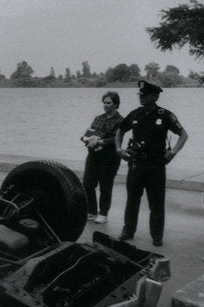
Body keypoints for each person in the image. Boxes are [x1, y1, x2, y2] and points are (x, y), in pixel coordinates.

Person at [114, 80, 189, 247]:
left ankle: (156, 235)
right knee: (132, 200)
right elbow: (120, 130)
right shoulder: (135, 114)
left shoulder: (165, 115)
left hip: (156, 165)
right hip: (136, 164)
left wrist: (173, 152)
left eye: (144, 95)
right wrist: (119, 149)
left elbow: (183, 134)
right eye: (140, 95)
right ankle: (128, 230)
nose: (141, 97)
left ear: (154, 96)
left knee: (156, 202)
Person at [80, 91, 123, 224]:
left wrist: (100, 142)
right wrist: (86, 139)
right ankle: (92, 211)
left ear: (115, 104)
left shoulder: (121, 120)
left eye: (108, 103)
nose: (105, 105)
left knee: (105, 185)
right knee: (87, 183)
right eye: (104, 103)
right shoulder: (98, 118)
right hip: (93, 154)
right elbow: (89, 132)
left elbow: (116, 139)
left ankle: (103, 213)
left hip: (109, 157)